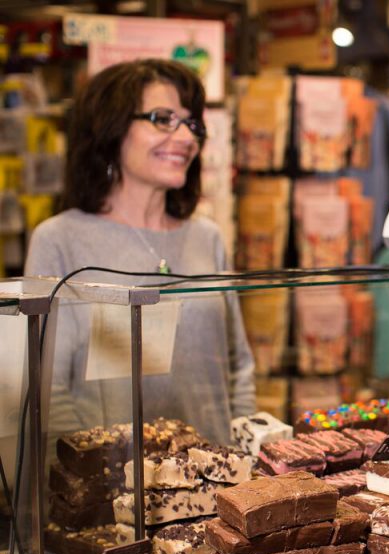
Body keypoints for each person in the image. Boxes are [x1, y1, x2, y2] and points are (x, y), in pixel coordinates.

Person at [26, 59, 255, 445]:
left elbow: (239, 368)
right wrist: (93, 478)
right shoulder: (59, 240)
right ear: (111, 128)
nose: (186, 138)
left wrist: (242, 458)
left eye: (192, 124)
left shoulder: (208, 238)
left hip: (217, 483)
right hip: (113, 490)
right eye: (163, 118)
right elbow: (47, 386)